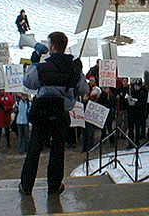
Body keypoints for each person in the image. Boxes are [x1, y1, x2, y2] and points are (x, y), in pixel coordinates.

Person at [19, 31, 88, 195]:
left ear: (53, 46)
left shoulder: (42, 68)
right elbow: (83, 89)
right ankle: (54, 186)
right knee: (58, 152)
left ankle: (27, 186)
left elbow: (28, 83)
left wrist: (33, 64)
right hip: (61, 113)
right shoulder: (73, 68)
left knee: (34, 150)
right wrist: (77, 71)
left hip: (41, 112)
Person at [81, 76, 101, 152]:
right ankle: (84, 147)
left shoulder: (96, 90)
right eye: (90, 80)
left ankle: (90, 146)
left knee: (90, 132)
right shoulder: (87, 90)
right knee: (84, 132)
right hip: (84, 115)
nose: (91, 82)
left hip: (91, 115)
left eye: (92, 80)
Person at [126, 79, 147, 148]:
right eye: (135, 85)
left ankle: (137, 142)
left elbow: (143, 104)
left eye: (137, 86)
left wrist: (136, 103)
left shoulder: (142, 93)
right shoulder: (131, 92)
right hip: (131, 113)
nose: (136, 87)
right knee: (131, 129)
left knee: (137, 129)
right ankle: (130, 143)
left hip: (138, 113)